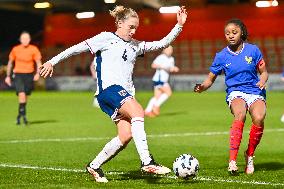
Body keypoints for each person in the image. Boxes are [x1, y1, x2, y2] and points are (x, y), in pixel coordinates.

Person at [39, 5, 187, 183]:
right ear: (119, 23)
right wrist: (51, 62)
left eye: (136, 28)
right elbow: (75, 49)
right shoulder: (105, 38)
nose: (133, 31)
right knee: (138, 112)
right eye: (130, 27)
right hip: (109, 90)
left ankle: (94, 166)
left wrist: (179, 25)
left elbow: (161, 43)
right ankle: (147, 161)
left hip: (121, 94)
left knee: (125, 135)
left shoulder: (136, 46)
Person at [194, 18, 268, 175]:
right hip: (236, 92)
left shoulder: (253, 50)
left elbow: (264, 72)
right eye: (227, 33)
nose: (231, 35)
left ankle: (249, 154)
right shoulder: (221, 56)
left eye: (234, 32)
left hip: (255, 91)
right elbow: (209, 79)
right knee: (240, 114)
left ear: (242, 33)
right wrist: (202, 87)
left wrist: (262, 80)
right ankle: (232, 161)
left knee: (259, 118)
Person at [5, 31, 42, 125]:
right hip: (18, 75)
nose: (25, 40)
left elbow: (38, 62)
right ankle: (24, 117)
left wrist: (38, 73)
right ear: (20, 40)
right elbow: (10, 63)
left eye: (27, 38)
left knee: (25, 97)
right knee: (21, 94)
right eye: (23, 38)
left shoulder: (34, 49)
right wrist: (8, 76)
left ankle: (19, 115)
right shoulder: (15, 49)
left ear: (30, 39)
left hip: (29, 75)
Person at [144, 45, 179, 117]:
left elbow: (170, 68)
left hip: (164, 79)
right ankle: (156, 106)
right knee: (168, 93)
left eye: (171, 50)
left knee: (156, 97)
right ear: (164, 50)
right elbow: (153, 65)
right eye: (168, 49)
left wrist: (174, 68)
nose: (170, 51)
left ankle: (147, 111)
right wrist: (163, 67)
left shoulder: (171, 59)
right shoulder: (161, 57)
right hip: (159, 79)